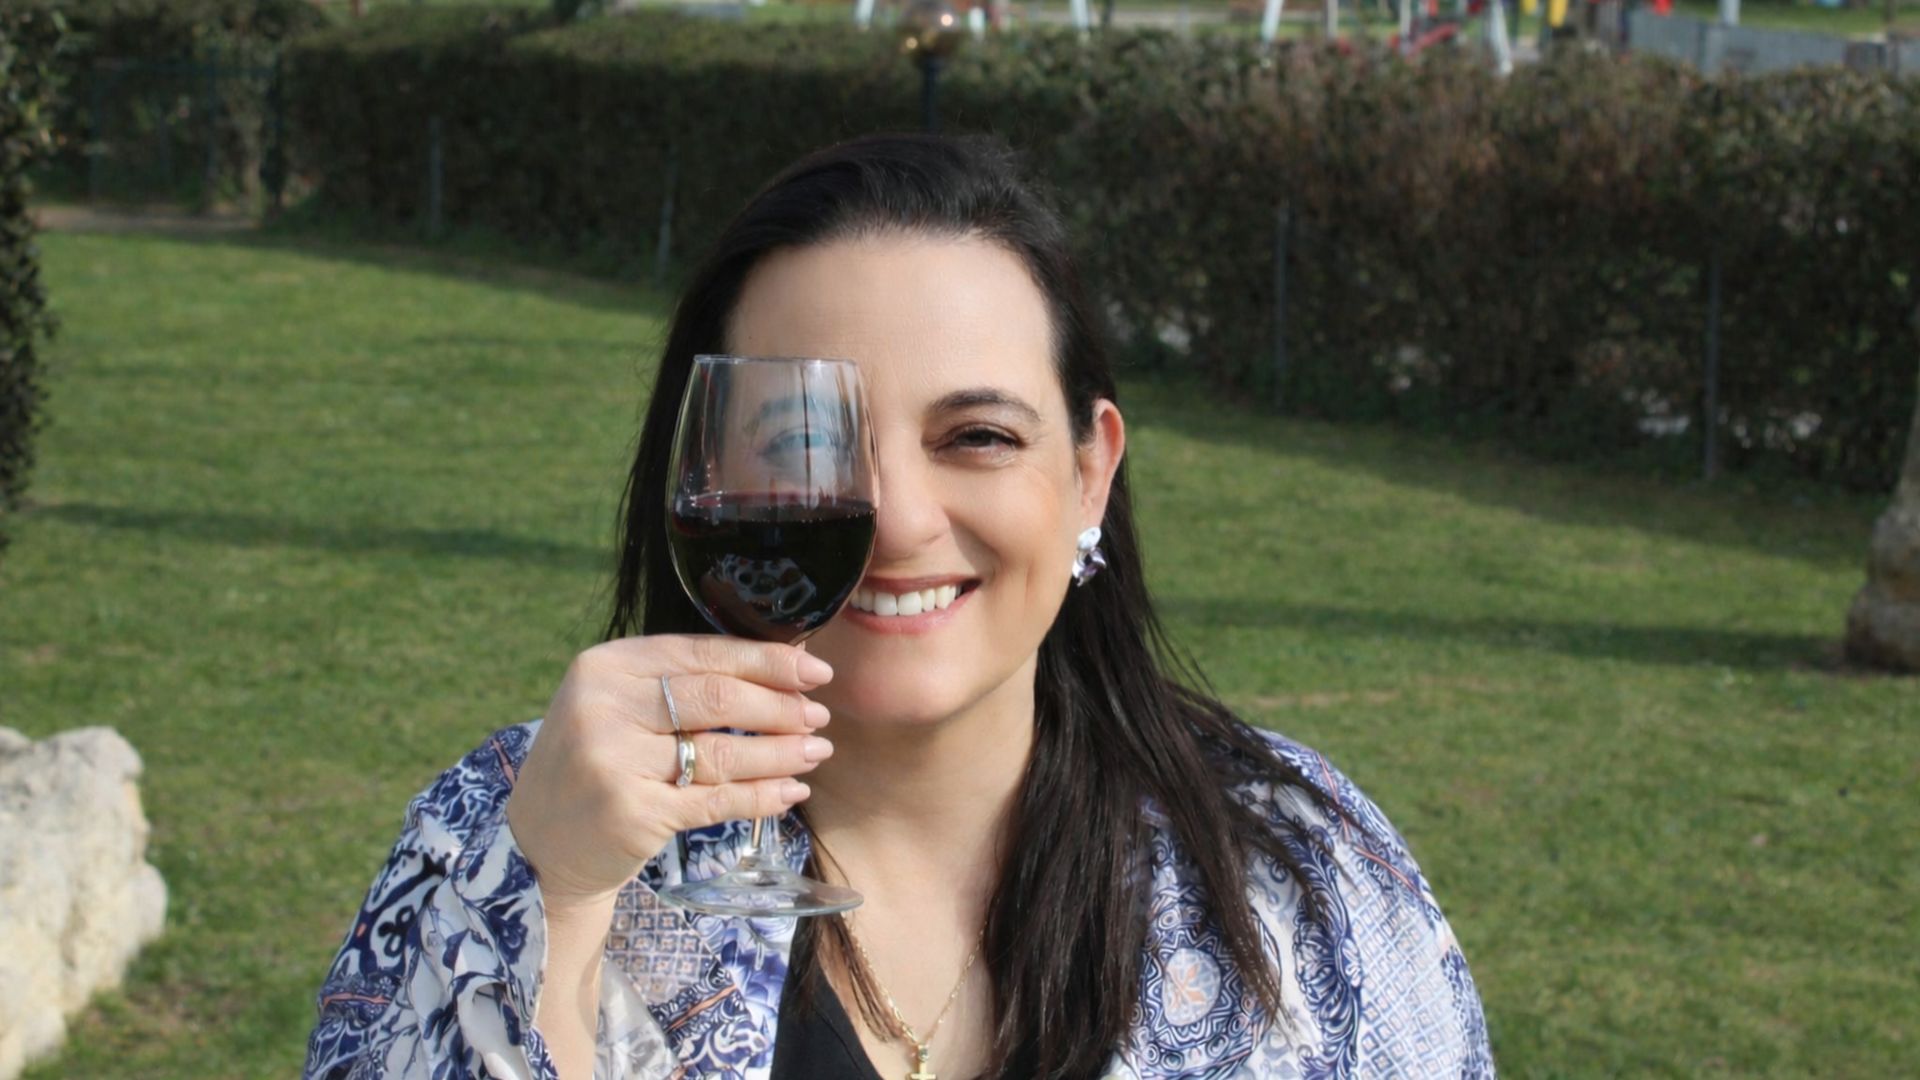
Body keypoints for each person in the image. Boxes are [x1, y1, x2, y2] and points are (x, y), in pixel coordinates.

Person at [303, 133, 1493, 1080]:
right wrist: (557, 906)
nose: (897, 519)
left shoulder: (1301, 870)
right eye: (804, 445)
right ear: (701, 474)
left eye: (977, 437)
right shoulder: (505, 830)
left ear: (1090, 472)